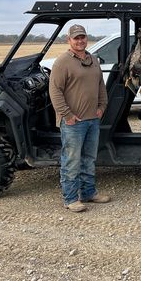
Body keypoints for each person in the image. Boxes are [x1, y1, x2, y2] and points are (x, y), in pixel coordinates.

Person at [49, 24, 110, 212]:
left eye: (82, 37)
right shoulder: (62, 62)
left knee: (89, 159)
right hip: (73, 122)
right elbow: (55, 91)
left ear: (86, 38)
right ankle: (70, 199)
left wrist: (102, 106)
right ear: (69, 40)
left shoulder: (93, 60)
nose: (80, 40)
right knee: (72, 161)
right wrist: (67, 115)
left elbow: (100, 85)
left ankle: (88, 193)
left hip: (92, 119)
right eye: (76, 38)